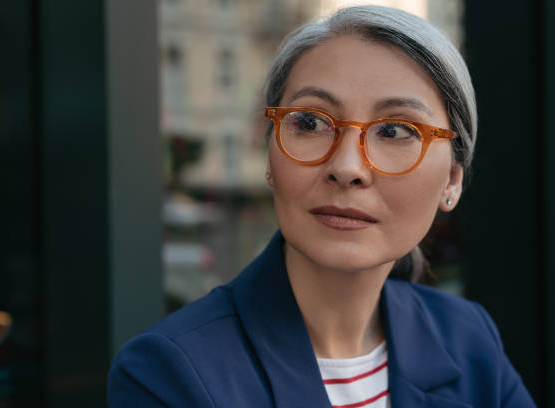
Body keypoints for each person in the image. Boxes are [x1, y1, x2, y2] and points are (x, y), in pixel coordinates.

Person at [108, 6, 535, 407]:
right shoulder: (168, 371)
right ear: (270, 153)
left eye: (396, 130)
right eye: (309, 123)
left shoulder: (466, 335)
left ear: (452, 180)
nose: (347, 168)